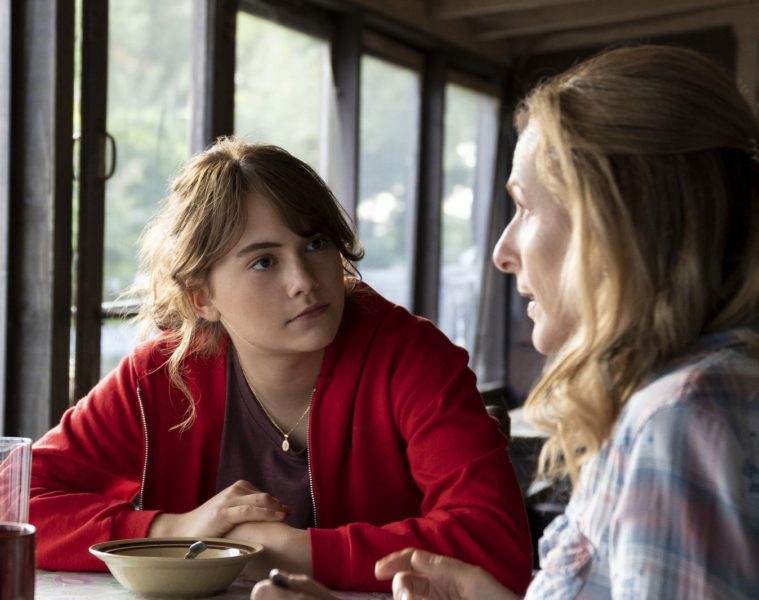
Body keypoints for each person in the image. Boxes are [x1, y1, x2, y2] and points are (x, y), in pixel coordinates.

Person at [251, 44, 759, 599]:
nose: (501, 251)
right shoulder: (703, 395)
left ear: (611, 226)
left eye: (525, 207)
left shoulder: (676, 421)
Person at [29, 140, 532, 593]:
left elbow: (496, 546)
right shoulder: (163, 374)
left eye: (316, 243)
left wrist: (286, 549)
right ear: (202, 297)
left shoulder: (411, 357)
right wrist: (174, 531)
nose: (304, 280)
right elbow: (15, 502)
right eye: (264, 261)